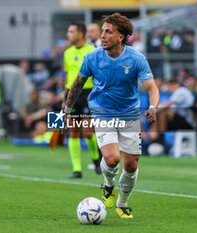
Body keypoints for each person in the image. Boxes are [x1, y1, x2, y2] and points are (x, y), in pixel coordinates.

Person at [64, 13, 159, 218]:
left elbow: (152, 88)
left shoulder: (136, 58)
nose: (103, 36)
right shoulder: (92, 57)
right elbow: (77, 84)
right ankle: (108, 185)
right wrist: (67, 109)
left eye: (108, 32)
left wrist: (153, 107)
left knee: (131, 165)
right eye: (102, 31)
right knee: (113, 158)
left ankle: (122, 203)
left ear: (121, 36)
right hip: (102, 113)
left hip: (130, 115)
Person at [63, 21, 100, 178]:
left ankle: (96, 158)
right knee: (73, 131)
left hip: (87, 93)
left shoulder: (92, 52)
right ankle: (77, 169)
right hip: (72, 94)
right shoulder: (67, 53)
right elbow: (68, 75)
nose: (68, 34)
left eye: (71, 31)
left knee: (87, 131)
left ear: (80, 34)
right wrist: (65, 99)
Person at [149, 78, 194, 151]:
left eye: (169, 86)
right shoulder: (178, 93)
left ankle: (160, 139)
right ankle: (156, 140)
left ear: (175, 85)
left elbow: (167, 105)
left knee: (163, 113)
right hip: (179, 121)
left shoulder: (181, 91)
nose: (169, 89)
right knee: (157, 118)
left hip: (187, 122)